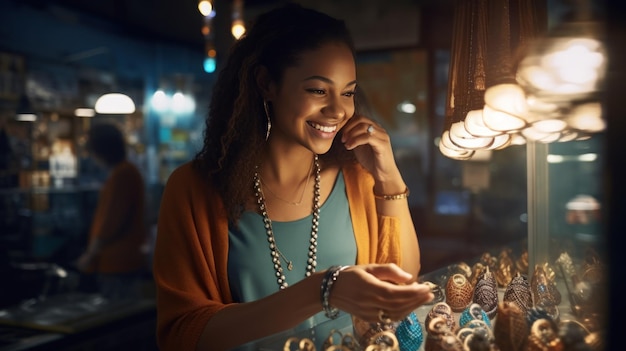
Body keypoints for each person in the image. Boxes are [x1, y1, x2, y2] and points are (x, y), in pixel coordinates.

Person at [153, 3, 434, 350]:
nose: (338, 110)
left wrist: (389, 179)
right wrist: (322, 291)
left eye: (347, 92)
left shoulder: (357, 178)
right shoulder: (193, 189)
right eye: (318, 90)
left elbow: (400, 289)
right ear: (266, 83)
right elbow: (183, 333)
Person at [77, 122, 147, 300]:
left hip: (116, 261)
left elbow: (111, 221)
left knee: (116, 315)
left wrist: (90, 254)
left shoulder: (122, 174)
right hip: (122, 259)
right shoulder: (126, 172)